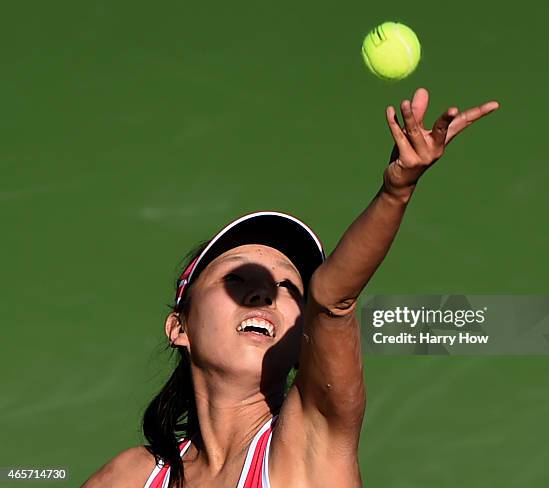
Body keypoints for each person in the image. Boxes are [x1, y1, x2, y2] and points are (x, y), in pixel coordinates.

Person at [82, 87, 499, 487]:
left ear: (304, 341)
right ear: (179, 327)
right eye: (236, 279)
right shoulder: (131, 476)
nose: (265, 293)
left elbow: (333, 301)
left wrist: (396, 192)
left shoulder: (308, 446)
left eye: (289, 288)